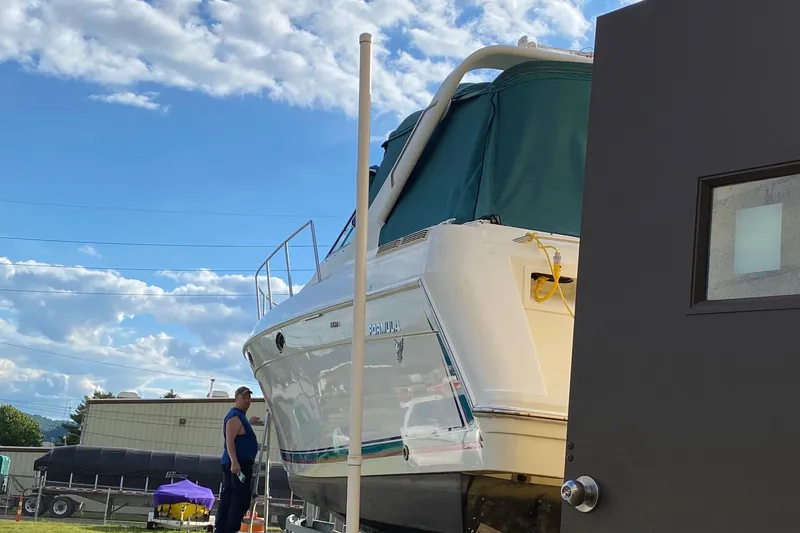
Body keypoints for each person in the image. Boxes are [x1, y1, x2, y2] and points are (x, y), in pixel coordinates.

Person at [215, 386, 261, 533]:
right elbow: (230, 441)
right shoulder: (234, 416)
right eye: (244, 397)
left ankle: (222, 529)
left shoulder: (240, 417)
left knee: (230, 497)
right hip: (238, 464)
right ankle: (228, 529)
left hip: (238, 463)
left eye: (249, 397)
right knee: (239, 498)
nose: (247, 400)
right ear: (236, 399)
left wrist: (249, 421)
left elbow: (239, 431)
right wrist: (234, 461)